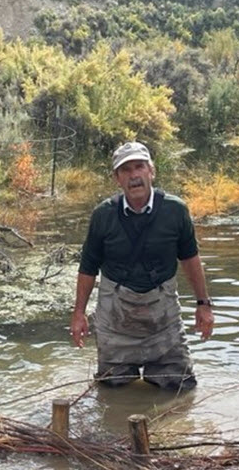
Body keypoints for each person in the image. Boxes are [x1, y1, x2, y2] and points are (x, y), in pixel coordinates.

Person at [69, 141, 214, 390]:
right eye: (126, 170)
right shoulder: (103, 215)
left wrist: (203, 305)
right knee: (112, 391)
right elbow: (88, 267)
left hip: (164, 319)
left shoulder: (175, 210)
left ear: (151, 171)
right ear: (117, 178)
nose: (134, 175)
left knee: (178, 389)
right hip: (115, 321)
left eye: (139, 167)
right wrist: (79, 314)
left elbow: (190, 258)